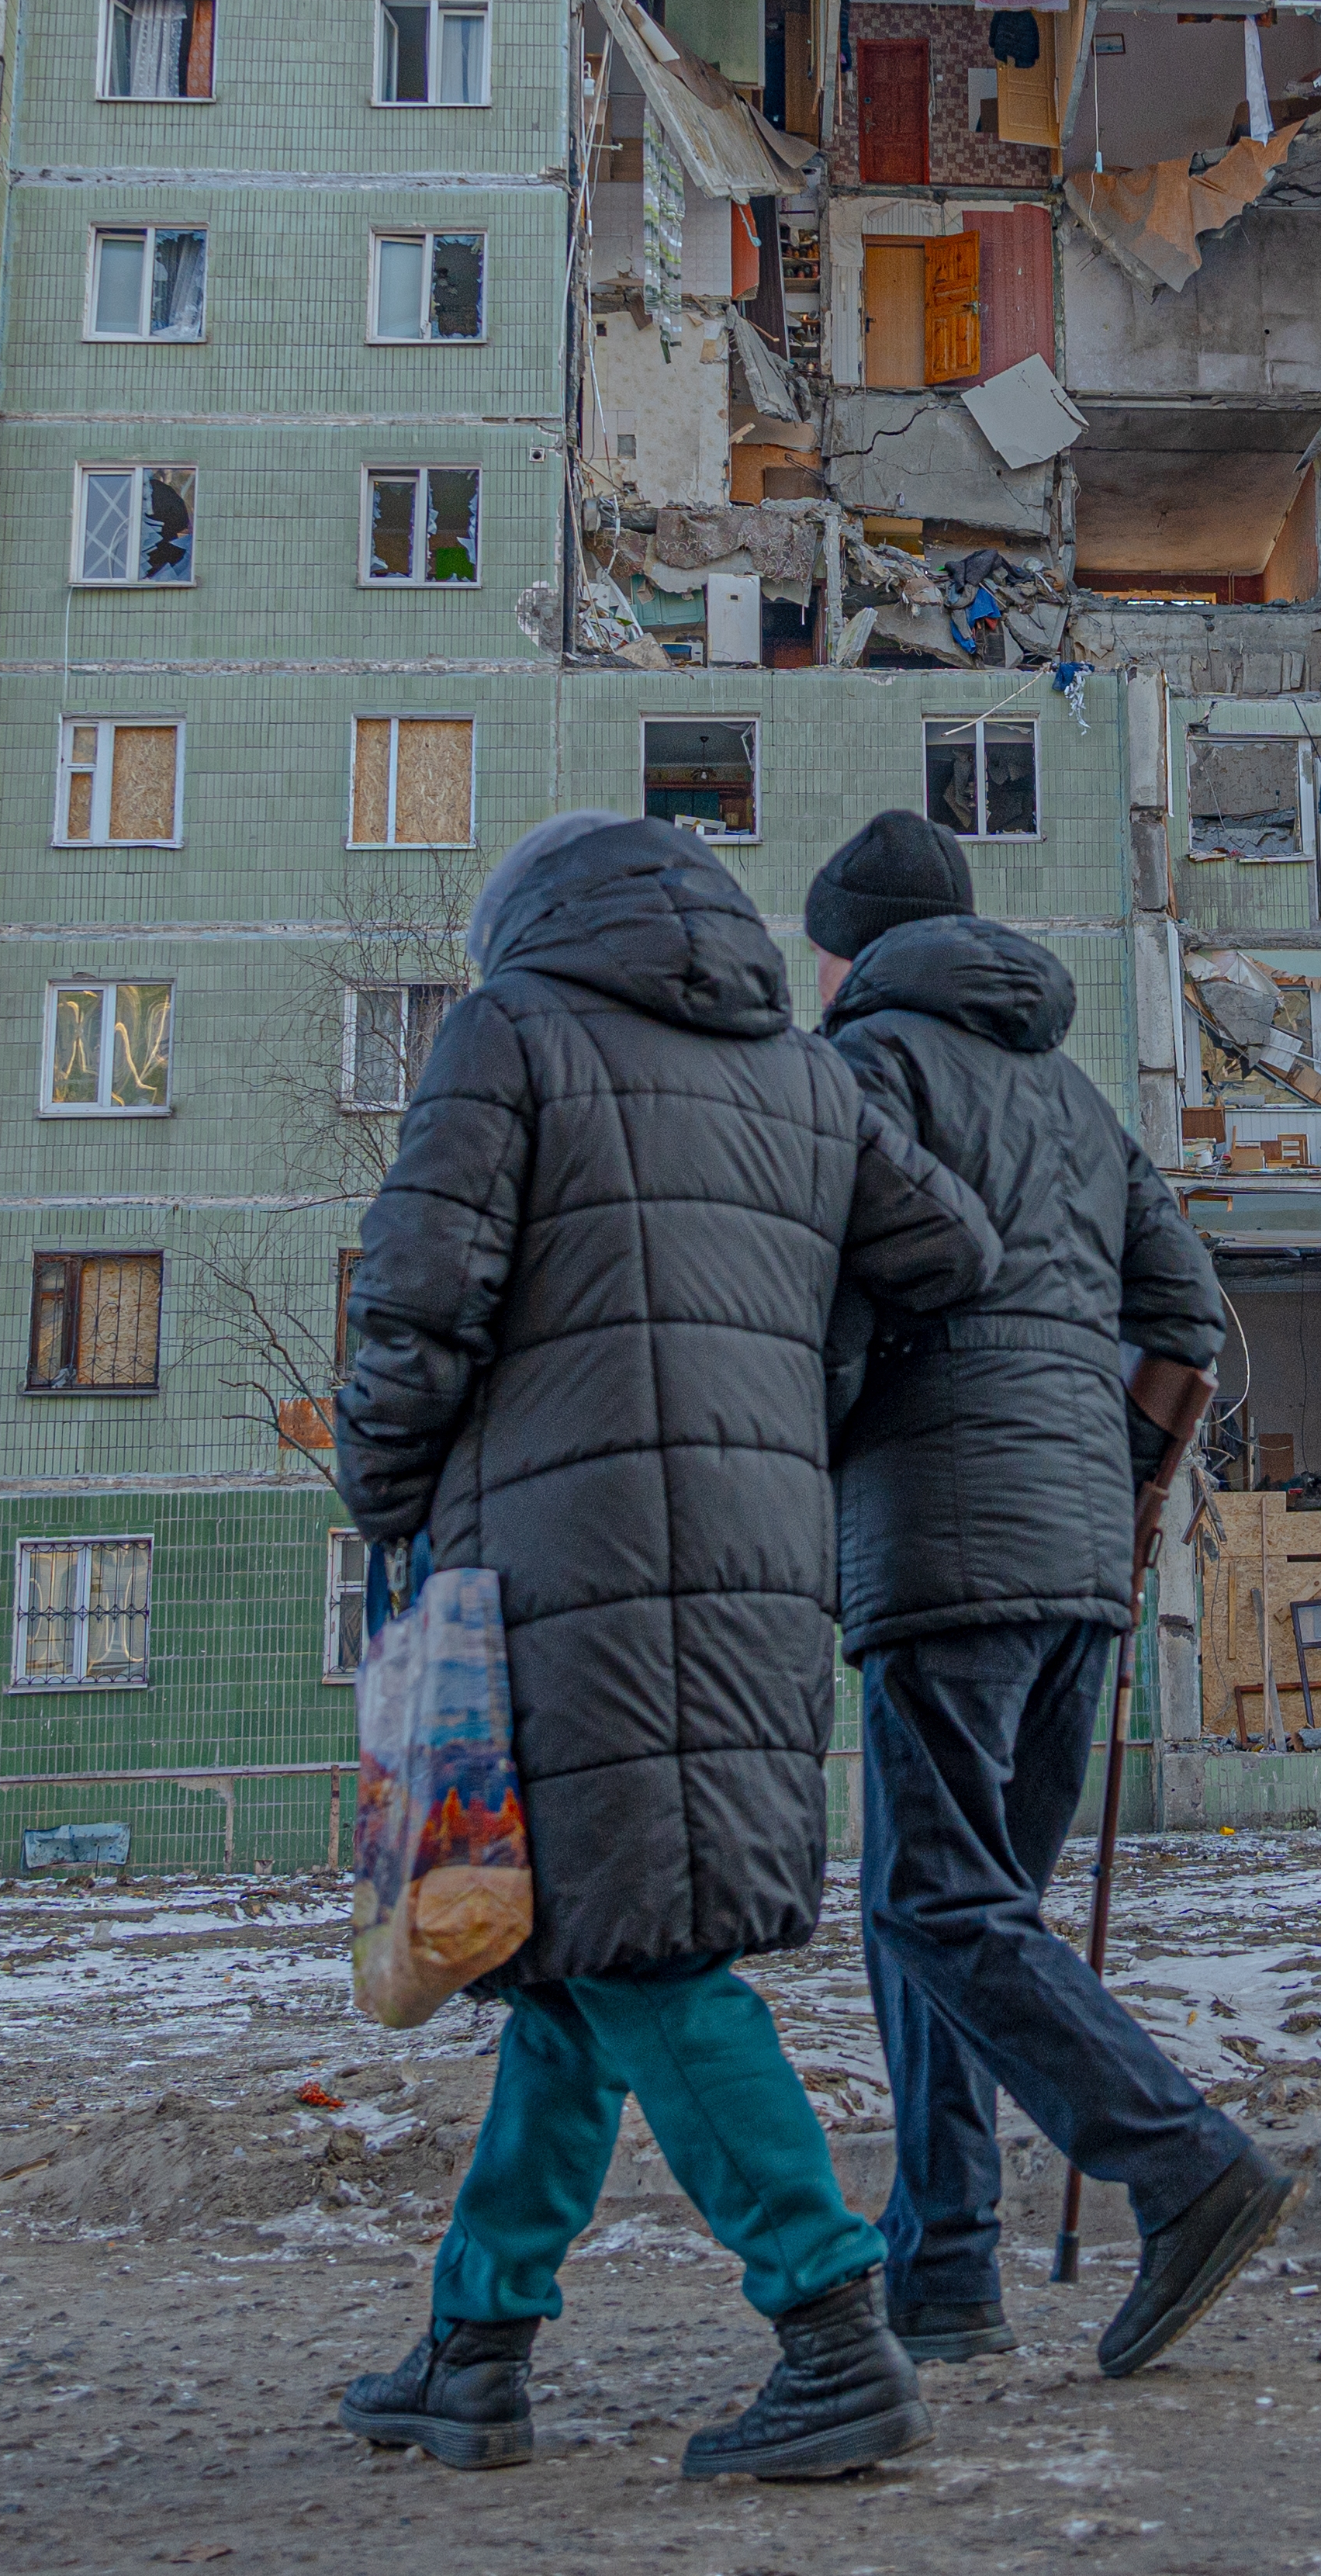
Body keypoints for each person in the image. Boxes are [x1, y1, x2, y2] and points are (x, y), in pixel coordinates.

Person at [332, 811, 1004, 2485]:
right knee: (565, 1963)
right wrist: (800, 1378)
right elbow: (953, 1254)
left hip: (559, 1556)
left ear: (532, 921)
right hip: (760, 1557)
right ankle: (472, 2345)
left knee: (642, 1957)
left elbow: (419, 1293)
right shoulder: (800, 1072)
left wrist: (383, 1496)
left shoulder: (511, 1029)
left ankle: (834, 2330)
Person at [804, 807, 1292, 2380]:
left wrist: (814, 1431)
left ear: (847, 948)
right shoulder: (1077, 1100)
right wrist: (1123, 1491)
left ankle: (1178, 2158)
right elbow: (1188, 1313)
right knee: (951, 1914)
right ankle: (943, 2268)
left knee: (932, 1901)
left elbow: (823, 1291)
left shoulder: (864, 1067)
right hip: (1078, 1553)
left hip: (941, 1540)